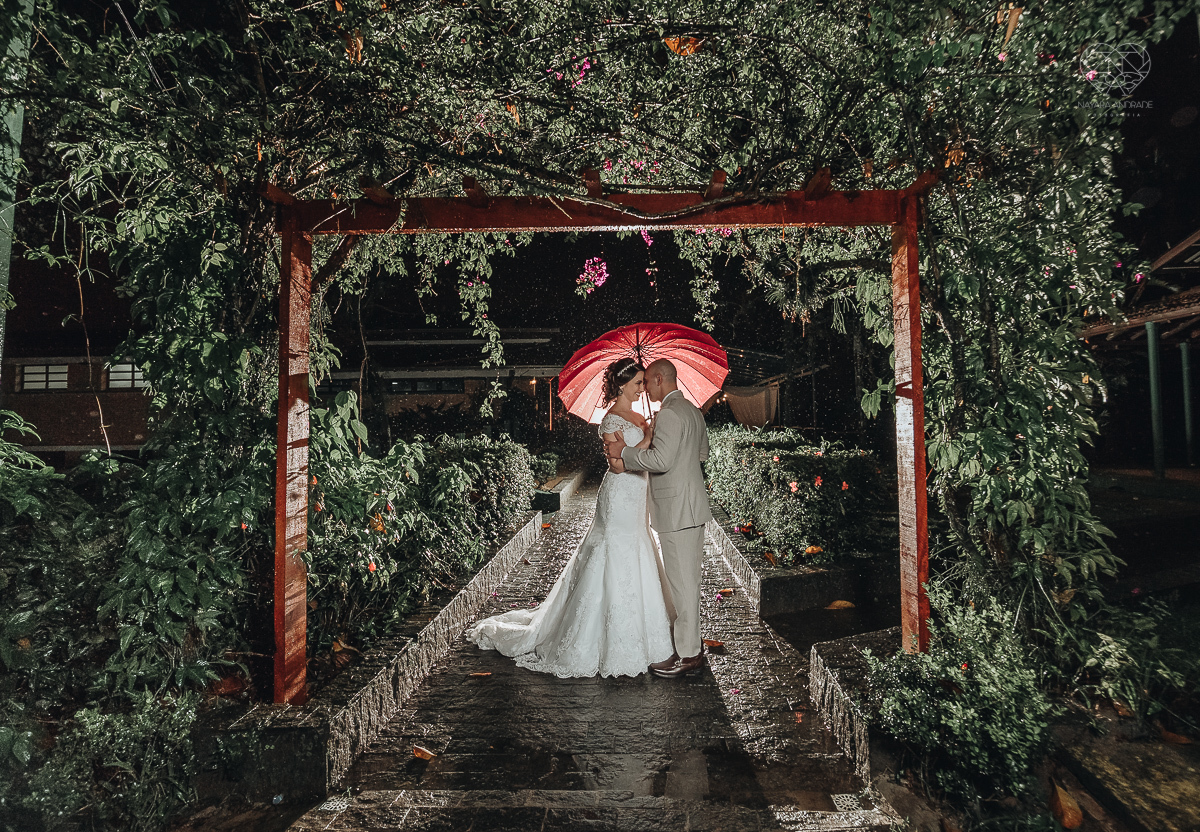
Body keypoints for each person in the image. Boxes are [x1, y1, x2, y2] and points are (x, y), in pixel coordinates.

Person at [465, 357, 676, 678]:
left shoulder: (639, 415)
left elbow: (646, 457)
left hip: (639, 497)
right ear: (621, 386)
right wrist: (649, 436)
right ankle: (607, 637)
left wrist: (652, 427)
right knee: (616, 554)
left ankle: (648, 632)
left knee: (641, 548)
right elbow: (619, 465)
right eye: (637, 383)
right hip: (619, 495)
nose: (643, 387)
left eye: (644, 382)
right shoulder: (611, 421)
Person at [604, 358, 712, 678]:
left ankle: (689, 655)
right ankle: (691, 647)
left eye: (648, 382)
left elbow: (661, 460)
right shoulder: (693, 411)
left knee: (682, 586)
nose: (646, 388)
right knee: (687, 582)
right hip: (692, 506)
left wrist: (625, 452)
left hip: (677, 510)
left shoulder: (668, 414)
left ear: (660, 379)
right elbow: (700, 453)